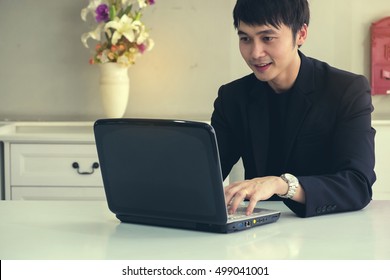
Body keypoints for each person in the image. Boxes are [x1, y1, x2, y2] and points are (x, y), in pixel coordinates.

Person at [211, 0, 376, 218]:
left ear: (301, 34)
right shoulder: (233, 97)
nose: (255, 52)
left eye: (267, 38)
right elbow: (204, 176)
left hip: (329, 232)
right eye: (245, 39)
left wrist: (282, 185)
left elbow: (357, 184)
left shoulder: (346, 90)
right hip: (257, 234)